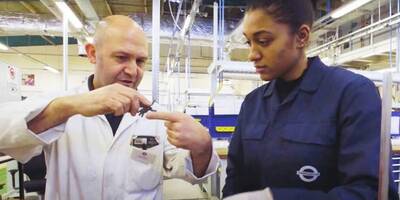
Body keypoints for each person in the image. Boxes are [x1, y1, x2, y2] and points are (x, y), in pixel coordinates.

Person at [0, 15, 219, 200]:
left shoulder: (156, 116)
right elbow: (4, 133)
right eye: (122, 57)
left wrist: (203, 146)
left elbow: (191, 171)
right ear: (93, 54)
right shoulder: (62, 103)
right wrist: (69, 107)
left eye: (140, 61)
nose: (133, 71)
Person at [222, 0, 399, 200]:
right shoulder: (252, 104)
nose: (252, 54)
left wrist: (275, 198)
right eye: (249, 42)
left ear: (301, 37)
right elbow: (235, 180)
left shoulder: (352, 94)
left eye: (263, 41)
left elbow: (368, 192)